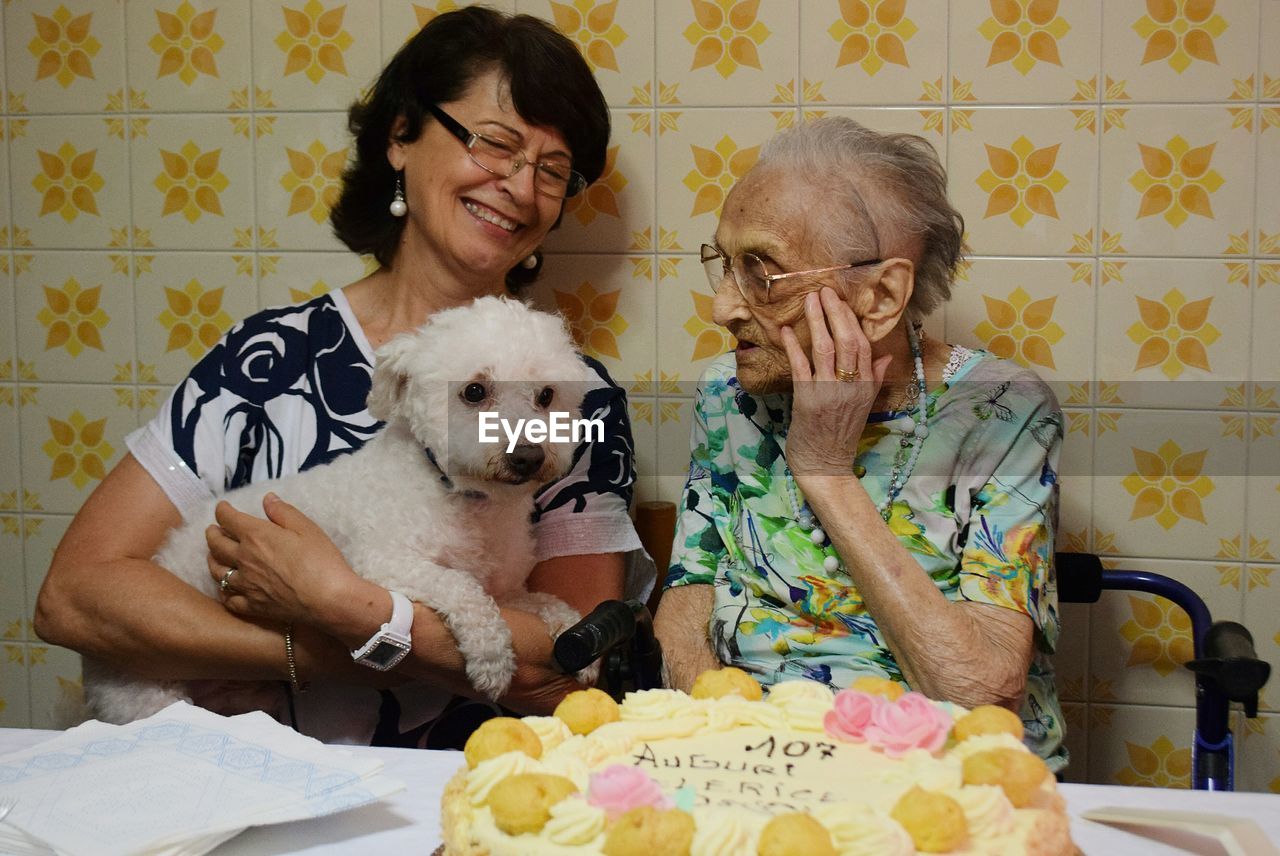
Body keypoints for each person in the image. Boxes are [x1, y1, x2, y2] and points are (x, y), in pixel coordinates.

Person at [35, 7, 651, 748]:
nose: (521, 188)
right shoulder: (265, 360)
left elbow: (568, 674)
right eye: (496, 144)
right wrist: (314, 653)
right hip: (227, 779)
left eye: (553, 171)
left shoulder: (573, 396)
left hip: (465, 785)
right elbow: (74, 599)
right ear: (400, 137)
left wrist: (341, 605)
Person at [653, 117, 1066, 770]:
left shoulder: (1001, 412)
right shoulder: (725, 393)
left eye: (761, 274)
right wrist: (722, 732)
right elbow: (689, 593)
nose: (722, 308)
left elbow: (982, 692)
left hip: (939, 774)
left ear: (880, 297)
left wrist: (825, 473)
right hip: (750, 760)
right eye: (723, 265)